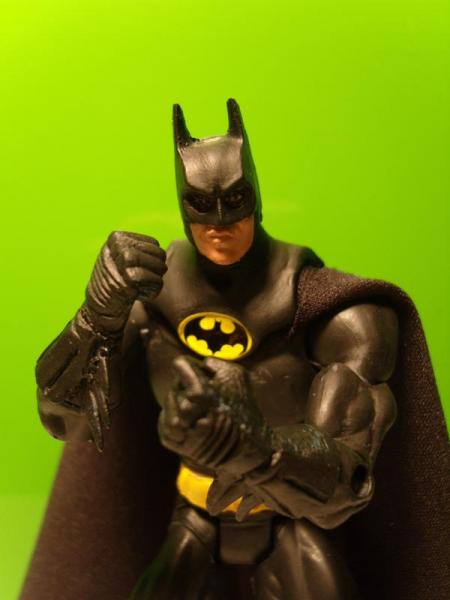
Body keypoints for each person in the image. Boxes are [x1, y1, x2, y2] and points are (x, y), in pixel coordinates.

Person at [22, 100, 449, 600]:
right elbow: (64, 420)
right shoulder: (152, 307)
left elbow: (347, 482)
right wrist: (94, 319)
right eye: (201, 206)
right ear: (183, 206)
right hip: (195, 514)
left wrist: (260, 449)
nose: (220, 223)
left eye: (235, 200)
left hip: (288, 521)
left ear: (255, 197)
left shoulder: (333, 317)